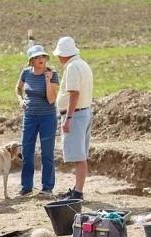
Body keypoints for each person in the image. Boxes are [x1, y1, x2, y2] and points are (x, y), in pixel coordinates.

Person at [15, 45, 59, 197]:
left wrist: (47, 80)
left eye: (43, 57)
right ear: (31, 61)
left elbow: (51, 99)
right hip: (30, 117)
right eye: (37, 57)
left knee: (47, 152)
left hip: (47, 117)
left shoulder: (52, 74)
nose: (41, 60)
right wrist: (20, 100)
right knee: (27, 152)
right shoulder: (26, 73)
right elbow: (18, 88)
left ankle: (47, 187)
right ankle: (26, 186)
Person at [53, 37, 93, 200]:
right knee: (80, 155)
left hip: (76, 114)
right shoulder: (82, 64)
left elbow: (74, 93)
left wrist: (68, 118)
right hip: (84, 112)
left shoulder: (72, 67)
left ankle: (78, 192)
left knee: (78, 156)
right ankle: (77, 189)